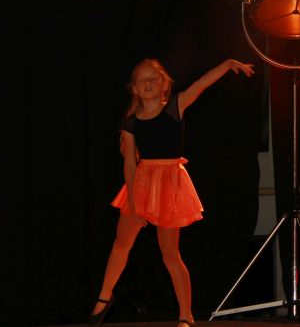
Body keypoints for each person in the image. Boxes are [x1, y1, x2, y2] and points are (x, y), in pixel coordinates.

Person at [88, 58, 255, 327]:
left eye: (153, 78)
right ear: (134, 88)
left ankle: (186, 314)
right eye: (142, 80)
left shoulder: (176, 106)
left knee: (170, 254)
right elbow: (129, 163)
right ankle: (104, 298)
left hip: (169, 183)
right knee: (121, 244)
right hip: (142, 183)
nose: (148, 83)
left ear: (164, 84)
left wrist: (226, 65)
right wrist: (134, 202)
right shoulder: (131, 122)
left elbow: (201, 83)